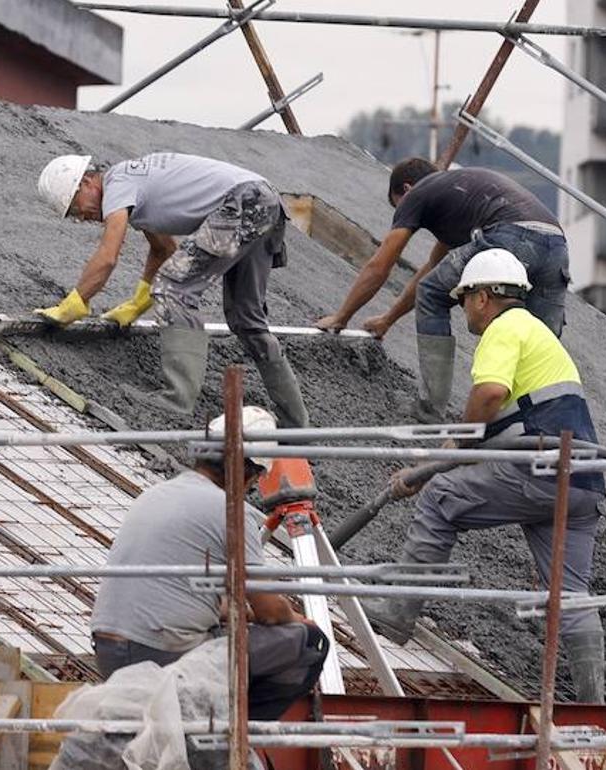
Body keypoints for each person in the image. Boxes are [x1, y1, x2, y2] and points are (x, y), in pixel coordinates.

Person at [363, 248, 606, 703]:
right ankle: (595, 702)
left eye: (463, 299)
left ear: (482, 296)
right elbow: (518, 421)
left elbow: (491, 393)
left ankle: (395, 614)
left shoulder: (504, 328)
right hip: (584, 483)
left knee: (441, 496)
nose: (463, 310)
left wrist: (454, 446)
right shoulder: (538, 334)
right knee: (571, 592)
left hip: (541, 471)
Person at [35, 153, 308, 427]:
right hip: (265, 201)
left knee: (173, 288)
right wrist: (139, 300)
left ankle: (177, 400)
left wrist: (75, 302)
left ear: (86, 183)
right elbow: (163, 248)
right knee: (246, 318)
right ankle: (296, 423)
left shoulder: (117, 183)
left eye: (74, 207)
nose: (81, 217)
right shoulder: (135, 186)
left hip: (242, 202)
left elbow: (108, 255)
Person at [89, 406, 328, 720]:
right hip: (161, 655)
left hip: (108, 651)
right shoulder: (229, 510)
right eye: (255, 478)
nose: (251, 487)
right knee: (311, 643)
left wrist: (239, 612)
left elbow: (180, 596)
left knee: (227, 624)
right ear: (245, 470)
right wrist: (297, 619)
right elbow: (271, 613)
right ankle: (230, 734)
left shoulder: (156, 493)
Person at [315, 158, 570, 423]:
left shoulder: (421, 192)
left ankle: (430, 410)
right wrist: (387, 320)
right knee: (540, 335)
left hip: (511, 234)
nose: (403, 215)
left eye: (398, 206)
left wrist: (341, 317)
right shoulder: (460, 202)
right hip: (556, 244)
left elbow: (381, 265)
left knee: (437, 296)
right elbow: (432, 273)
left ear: (407, 188)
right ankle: (535, 423)